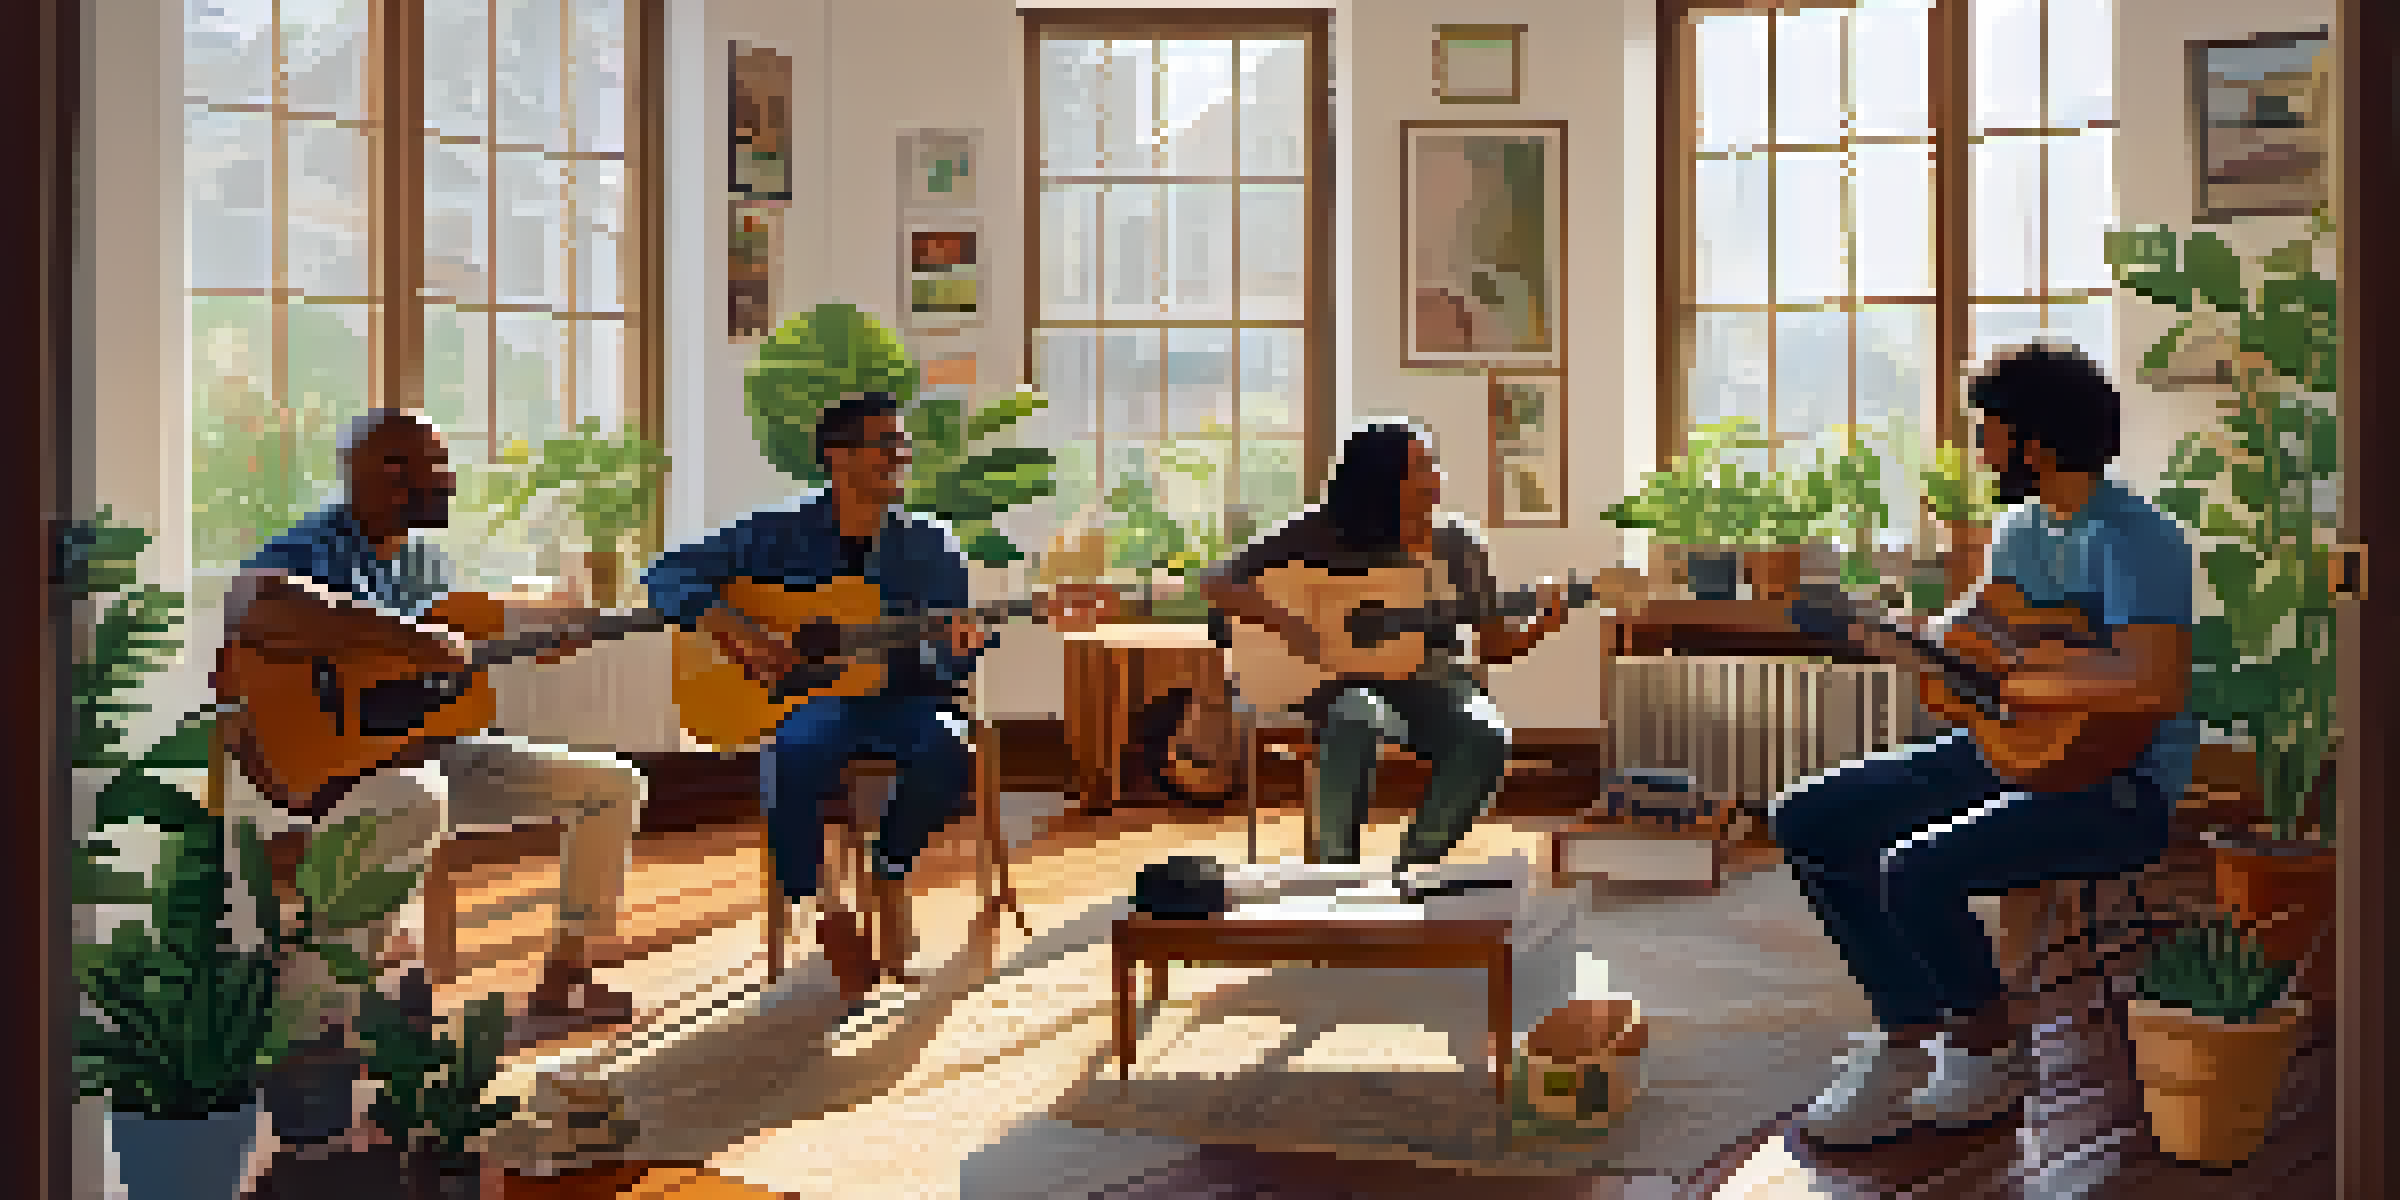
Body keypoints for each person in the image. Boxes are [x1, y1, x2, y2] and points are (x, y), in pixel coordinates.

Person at [1772, 341, 2199, 1148]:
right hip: (2012, 752)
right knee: (1808, 818)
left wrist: (2021, 684)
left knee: (1916, 866)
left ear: (2032, 441)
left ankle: (1988, 1047)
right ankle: (1906, 1035)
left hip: (2120, 786)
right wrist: (1908, 645)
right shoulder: (2018, 532)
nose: (1979, 449)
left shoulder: (2139, 539)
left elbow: (2155, 683)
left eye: (1988, 431)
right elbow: (1970, 645)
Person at [222, 407, 647, 1045]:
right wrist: (407, 636)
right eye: (436, 467)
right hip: (329, 766)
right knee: (418, 796)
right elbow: (252, 605)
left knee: (615, 785)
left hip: (429, 751)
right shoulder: (315, 546)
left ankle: (566, 980)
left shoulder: (425, 561)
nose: (449, 481)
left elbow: (445, 660)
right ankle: (319, 1020)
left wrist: (535, 635)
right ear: (386, 475)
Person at [641, 390, 989, 995]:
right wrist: (734, 626)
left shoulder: (931, 544)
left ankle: (890, 865)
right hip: (817, 701)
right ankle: (822, 905)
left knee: (947, 750)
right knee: (793, 752)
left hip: (906, 698)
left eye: (901, 445)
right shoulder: (779, 533)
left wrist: (961, 647)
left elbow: (952, 659)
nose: (899, 457)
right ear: (838, 456)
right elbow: (664, 573)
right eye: (885, 444)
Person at [1199, 421, 1572, 869]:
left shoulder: (1457, 546)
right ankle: (1334, 875)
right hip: (1336, 681)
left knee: (1485, 737)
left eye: (1432, 464)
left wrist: (1544, 622)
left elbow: (1494, 648)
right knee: (1355, 713)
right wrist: (1287, 621)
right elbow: (1216, 581)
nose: (1436, 476)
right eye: (1420, 466)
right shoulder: (1320, 533)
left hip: (1433, 682)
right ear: (1381, 479)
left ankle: (1411, 868)